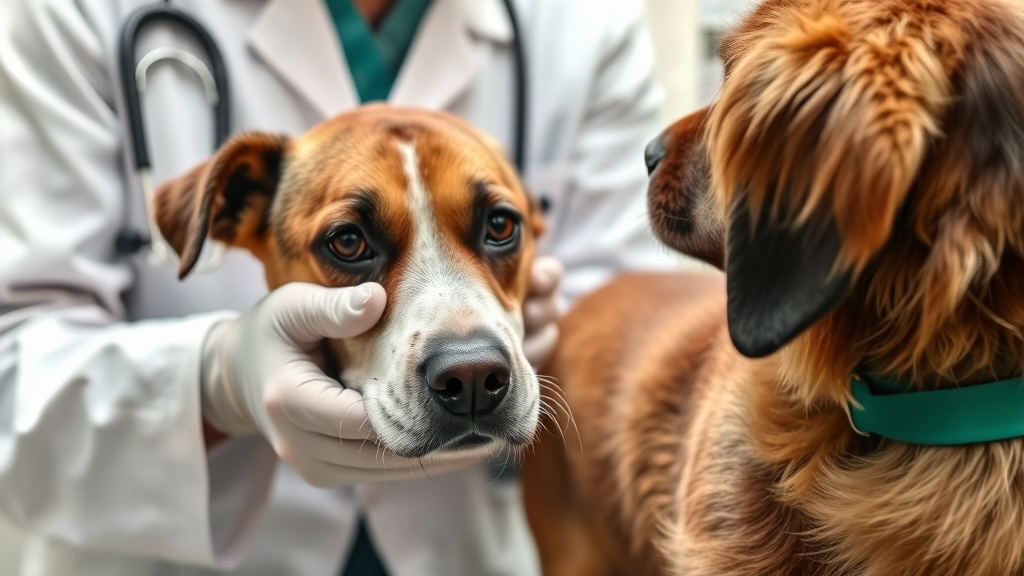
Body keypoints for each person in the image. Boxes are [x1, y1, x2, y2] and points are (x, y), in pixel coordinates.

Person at [0, 0, 674, 574]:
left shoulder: (583, 21)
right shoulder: (72, 14)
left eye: (497, 226)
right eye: (348, 243)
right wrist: (216, 383)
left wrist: (565, 342)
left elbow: (636, 341)